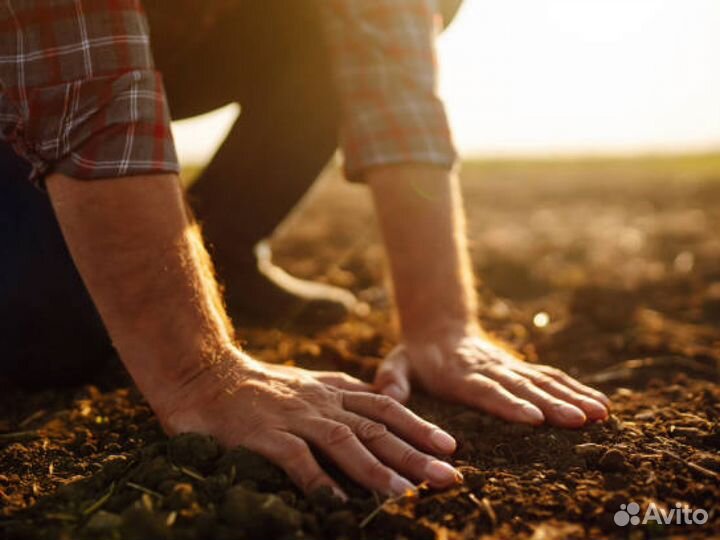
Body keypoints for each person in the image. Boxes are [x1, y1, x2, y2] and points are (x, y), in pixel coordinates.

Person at [0, 0, 609, 499]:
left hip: (168, 35)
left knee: (334, 24)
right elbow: (82, 80)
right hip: (23, 58)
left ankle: (225, 254)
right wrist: (198, 372)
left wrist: (442, 324)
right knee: (58, 335)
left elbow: (390, 79)